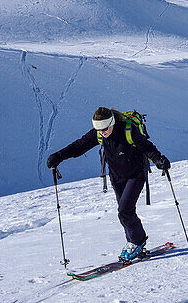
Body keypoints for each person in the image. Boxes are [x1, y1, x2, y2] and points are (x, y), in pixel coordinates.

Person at [46, 107, 170, 262]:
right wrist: (59, 156)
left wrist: (159, 160)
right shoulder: (99, 133)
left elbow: (147, 147)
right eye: (98, 129)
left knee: (124, 211)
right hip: (116, 177)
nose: (102, 132)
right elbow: (79, 146)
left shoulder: (128, 130)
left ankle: (136, 242)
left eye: (105, 129)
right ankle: (135, 242)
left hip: (136, 174)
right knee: (125, 211)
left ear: (112, 122)